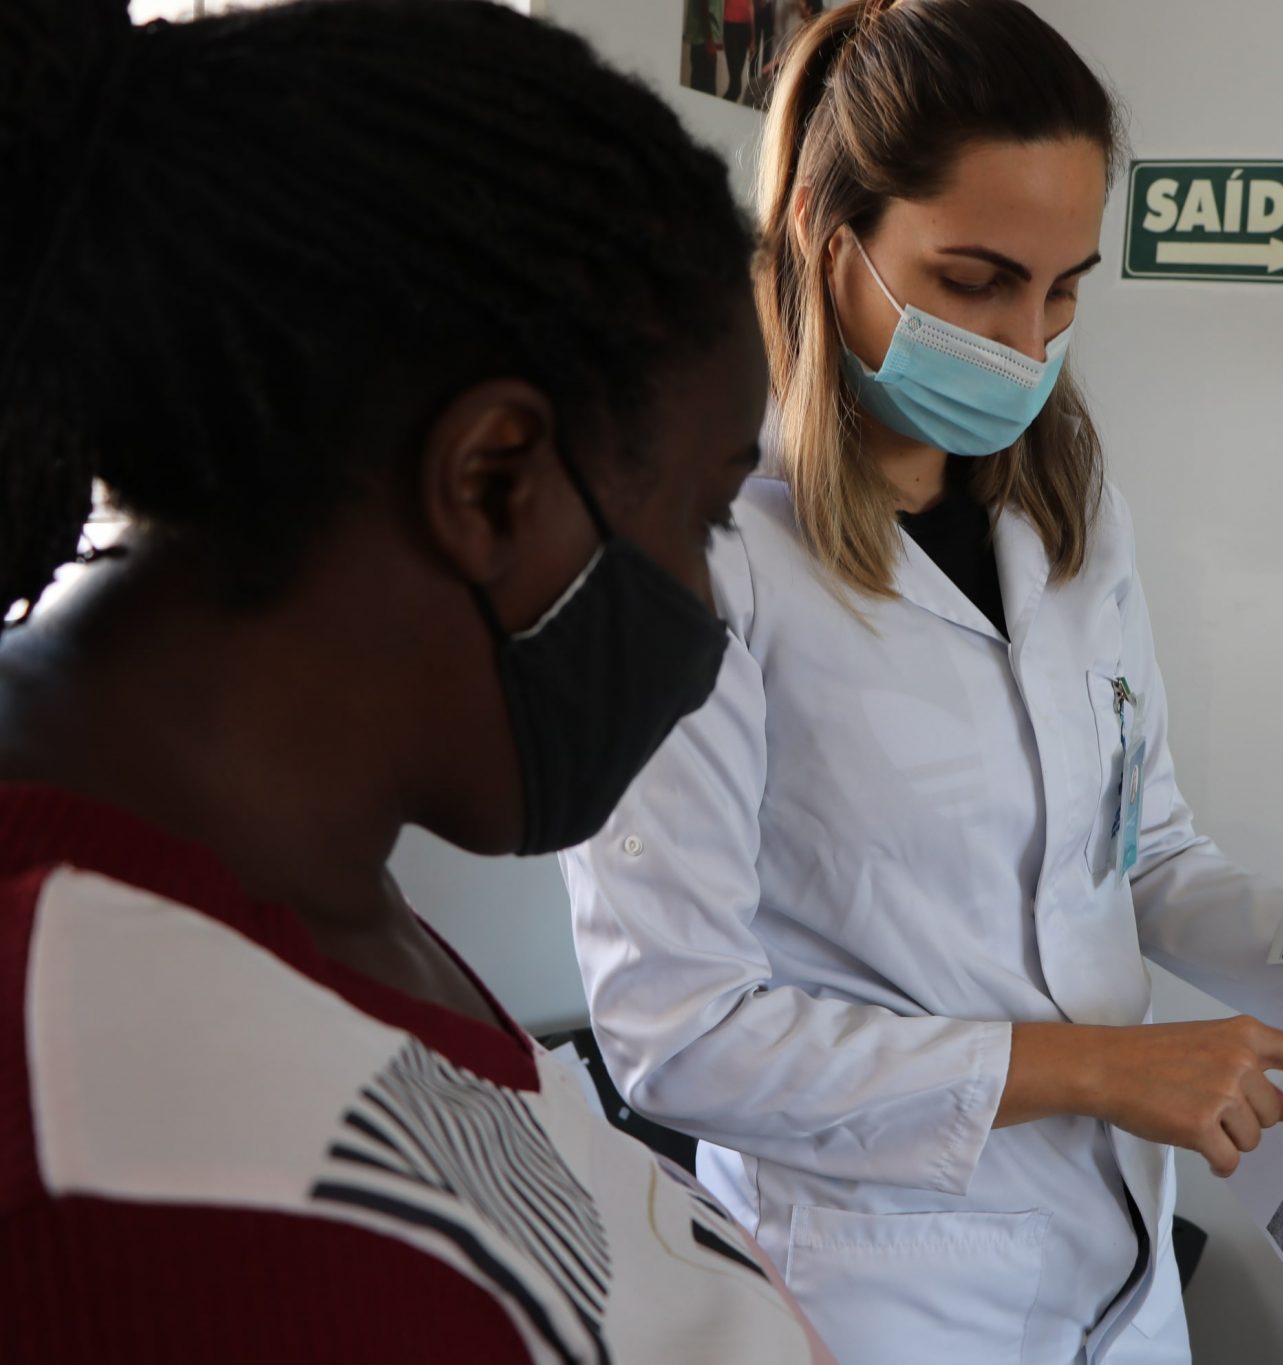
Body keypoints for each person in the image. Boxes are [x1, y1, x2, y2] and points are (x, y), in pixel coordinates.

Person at [564, 2, 1283, 1363]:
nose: (1025, 339)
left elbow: (1142, 859)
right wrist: (1100, 1068)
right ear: (827, 239)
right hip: (871, 1292)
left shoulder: (1067, 511)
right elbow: (681, 1036)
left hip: (1120, 1270)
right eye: (974, 281)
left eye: (1064, 289)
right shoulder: (699, 544)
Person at [0, 2, 826, 1360]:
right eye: (705, 517)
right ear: (492, 481)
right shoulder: (158, 1198)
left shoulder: (308, 874)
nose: (708, 607)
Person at [722, 0, 755, 102]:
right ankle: (721, 106)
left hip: (744, 29)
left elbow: (750, 6)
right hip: (730, 26)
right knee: (736, 85)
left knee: (735, 81)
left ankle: (725, 107)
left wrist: (753, 39)